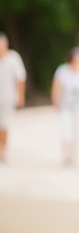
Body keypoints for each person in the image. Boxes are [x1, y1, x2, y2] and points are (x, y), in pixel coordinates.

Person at [51, 46, 79, 166]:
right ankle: (65, 153)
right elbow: (57, 87)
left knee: (76, 132)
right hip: (65, 105)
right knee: (65, 131)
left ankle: (73, 155)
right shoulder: (63, 71)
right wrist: (56, 102)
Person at [0, 32, 26, 163]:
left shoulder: (13, 58)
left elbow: (20, 78)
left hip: (7, 97)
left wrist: (20, 96)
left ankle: (3, 150)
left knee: (4, 124)